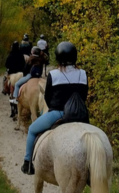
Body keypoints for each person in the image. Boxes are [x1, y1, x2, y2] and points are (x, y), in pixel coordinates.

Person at [20, 41, 88, 175]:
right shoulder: (83, 74)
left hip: (58, 114)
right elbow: (84, 96)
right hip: (81, 115)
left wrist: (54, 108)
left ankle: (28, 163)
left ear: (58, 57)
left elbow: (48, 97)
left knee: (32, 130)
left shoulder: (54, 75)